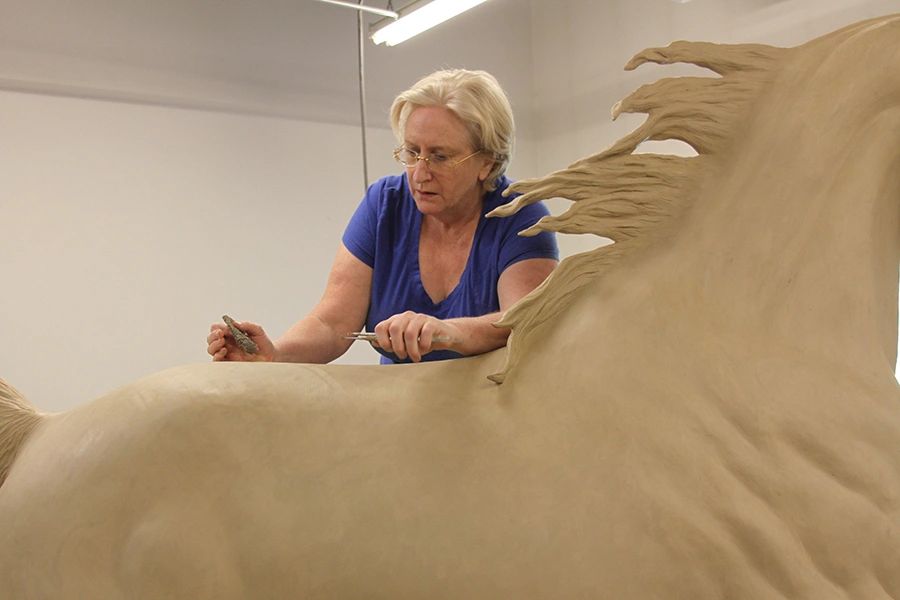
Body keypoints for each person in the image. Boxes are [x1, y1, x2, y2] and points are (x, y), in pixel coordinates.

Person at [207, 69, 558, 365]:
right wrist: (275, 355)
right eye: (411, 152)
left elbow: (522, 321)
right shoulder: (384, 204)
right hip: (398, 414)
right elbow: (332, 323)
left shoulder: (521, 216)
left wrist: (446, 332)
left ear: (489, 163)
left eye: (440, 157)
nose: (420, 173)